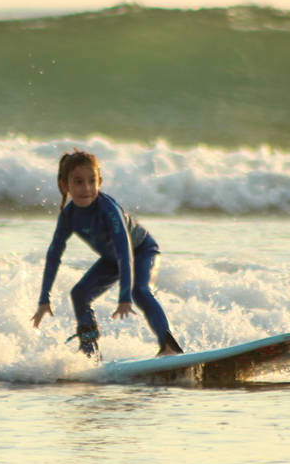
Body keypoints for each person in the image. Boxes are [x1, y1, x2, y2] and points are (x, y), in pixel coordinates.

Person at [31, 150, 183, 360]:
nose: (86, 188)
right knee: (79, 294)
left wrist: (124, 298)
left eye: (92, 181)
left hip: (141, 251)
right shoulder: (69, 216)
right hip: (113, 260)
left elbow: (124, 251)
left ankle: (170, 346)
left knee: (139, 291)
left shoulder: (108, 210)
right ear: (65, 185)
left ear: (100, 182)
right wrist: (43, 300)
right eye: (78, 182)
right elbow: (53, 255)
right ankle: (90, 354)